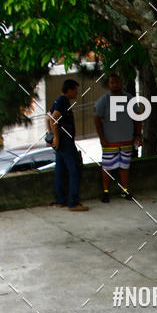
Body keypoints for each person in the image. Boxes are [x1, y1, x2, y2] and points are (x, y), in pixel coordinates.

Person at [94, 73, 142, 202]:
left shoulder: (129, 99)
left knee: (124, 167)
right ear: (109, 85)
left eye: (117, 82)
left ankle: (124, 190)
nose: (115, 85)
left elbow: (138, 117)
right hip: (109, 141)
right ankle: (105, 192)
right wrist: (102, 138)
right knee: (107, 167)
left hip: (127, 139)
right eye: (112, 82)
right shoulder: (103, 100)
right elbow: (97, 120)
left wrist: (138, 135)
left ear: (121, 83)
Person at [49, 78, 88, 212]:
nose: (77, 93)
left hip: (62, 142)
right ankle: (73, 202)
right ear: (70, 90)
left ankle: (61, 200)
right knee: (74, 171)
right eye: (75, 90)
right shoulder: (63, 102)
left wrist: (54, 137)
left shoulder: (58, 101)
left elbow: (48, 118)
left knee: (60, 171)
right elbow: (53, 119)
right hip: (65, 142)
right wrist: (56, 137)